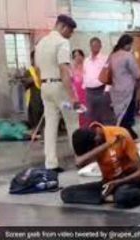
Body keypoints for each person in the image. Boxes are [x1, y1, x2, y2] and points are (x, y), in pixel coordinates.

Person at [61, 123, 140, 209]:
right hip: (108, 183)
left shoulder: (121, 135)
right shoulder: (95, 137)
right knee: (66, 193)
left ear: (96, 140)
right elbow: (79, 163)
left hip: (128, 180)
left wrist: (118, 183)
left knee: (122, 197)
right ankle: (108, 197)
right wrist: (106, 145)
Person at [35, 15, 79, 173]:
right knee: (72, 122)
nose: (70, 35)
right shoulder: (62, 42)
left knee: (50, 125)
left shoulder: (41, 43)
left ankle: (51, 163)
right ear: (64, 27)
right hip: (60, 87)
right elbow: (64, 70)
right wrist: (72, 96)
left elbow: (38, 67)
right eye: (71, 31)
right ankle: (79, 157)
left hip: (45, 86)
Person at [108, 34, 140, 139]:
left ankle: (126, 133)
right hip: (128, 90)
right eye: (131, 44)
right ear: (127, 44)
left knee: (119, 114)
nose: (131, 47)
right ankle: (125, 135)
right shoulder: (127, 56)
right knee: (127, 115)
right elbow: (138, 74)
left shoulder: (112, 56)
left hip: (115, 91)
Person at [83, 37, 115, 125]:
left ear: (101, 46)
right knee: (92, 118)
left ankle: (109, 137)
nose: (95, 47)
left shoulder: (105, 59)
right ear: (90, 46)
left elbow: (110, 75)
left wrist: (107, 90)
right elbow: (85, 74)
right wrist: (85, 88)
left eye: (97, 45)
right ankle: (96, 137)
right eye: (93, 45)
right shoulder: (86, 60)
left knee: (106, 117)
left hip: (102, 90)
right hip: (89, 92)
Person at [22, 51, 44, 130]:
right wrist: (30, 80)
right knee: (35, 113)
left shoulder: (43, 69)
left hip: (44, 96)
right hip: (34, 97)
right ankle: (36, 130)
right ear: (32, 59)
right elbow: (25, 83)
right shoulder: (29, 71)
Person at [71, 49, 88, 127]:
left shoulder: (87, 67)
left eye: (79, 55)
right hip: (77, 96)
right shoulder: (71, 70)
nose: (77, 58)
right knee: (79, 116)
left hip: (87, 94)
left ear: (83, 56)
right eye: (75, 56)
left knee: (89, 114)